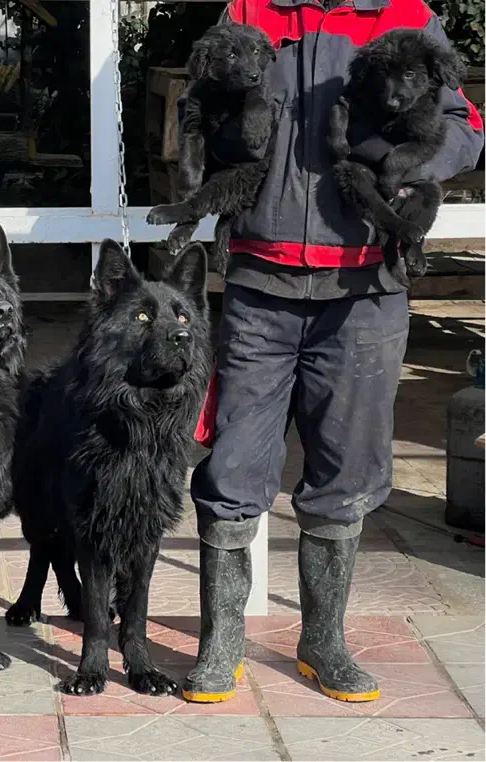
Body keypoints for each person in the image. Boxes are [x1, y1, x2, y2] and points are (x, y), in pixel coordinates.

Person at [184, 0, 484, 705]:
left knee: (346, 471)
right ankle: (220, 642)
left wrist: (405, 164)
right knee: (231, 464)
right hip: (259, 284)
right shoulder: (250, 8)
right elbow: (198, 104)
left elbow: (466, 128)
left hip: (365, 290)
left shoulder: (404, 14)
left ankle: (322, 641)